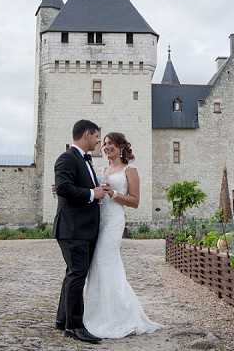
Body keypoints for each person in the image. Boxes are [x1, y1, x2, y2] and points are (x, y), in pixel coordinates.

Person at [82, 132, 162, 338]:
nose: (106, 146)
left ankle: (119, 316)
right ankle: (99, 313)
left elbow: (135, 201)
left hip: (114, 221)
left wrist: (114, 194)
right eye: (105, 143)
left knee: (105, 261)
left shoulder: (130, 169)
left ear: (120, 147)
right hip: (99, 220)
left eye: (111, 144)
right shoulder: (103, 169)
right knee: (97, 265)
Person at [53, 119, 106, 344]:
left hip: (82, 228)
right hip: (73, 228)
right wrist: (93, 194)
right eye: (96, 136)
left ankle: (62, 319)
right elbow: (63, 188)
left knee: (72, 274)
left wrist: (98, 192)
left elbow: (83, 188)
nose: (97, 141)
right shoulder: (67, 158)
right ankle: (74, 326)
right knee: (77, 275)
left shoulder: (85, 161)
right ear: (86, 134)